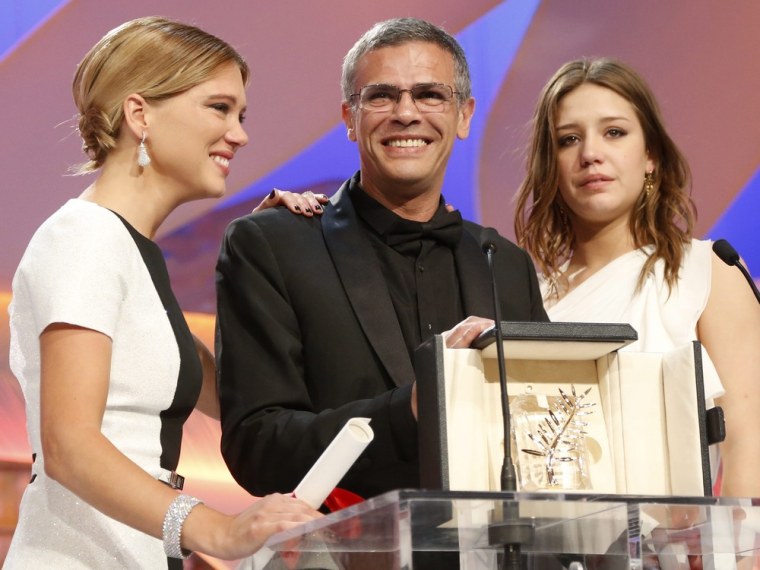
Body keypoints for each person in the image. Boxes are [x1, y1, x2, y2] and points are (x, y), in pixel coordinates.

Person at [5, 17, 322, 568]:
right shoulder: (84, 237)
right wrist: (218, 531)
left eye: (240, 114)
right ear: (139, 114)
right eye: (219, 108)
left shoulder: (129, 254)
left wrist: (265, 266)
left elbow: (235, 397)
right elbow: (69, 446)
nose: (240, 134)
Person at [216, 17, 548, 502]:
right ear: (350, 118)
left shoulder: (506, 265)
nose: (406, 113)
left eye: (430, 95)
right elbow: (257, 446)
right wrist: (410, 409)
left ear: (464, 115)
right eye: (381, 96)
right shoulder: (271, 244)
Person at [513, 57, 760, 499]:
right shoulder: (526, 297)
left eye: (614, 132)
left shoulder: (705, 273)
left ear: (650, 155)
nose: (591, 153)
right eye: (569, 139)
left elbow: (748, 444)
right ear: (551, 165)